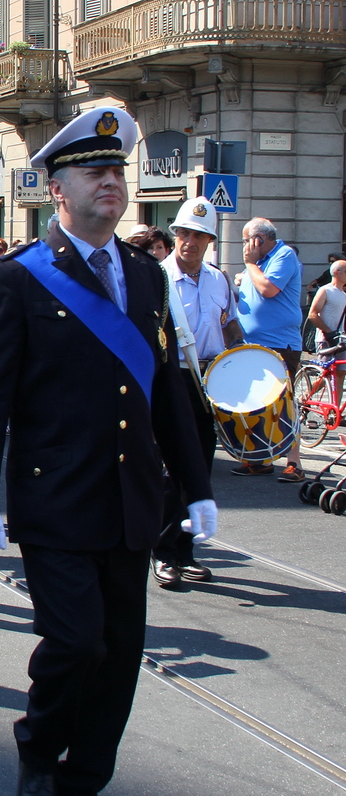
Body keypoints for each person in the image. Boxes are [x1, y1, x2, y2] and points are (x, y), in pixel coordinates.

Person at [0, 106, 215, 796]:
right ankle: (38, 759)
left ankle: (84, 785)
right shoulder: (19, 277)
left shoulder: (142, 275)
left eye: (116, 171)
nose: (110, 182)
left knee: (121, 653)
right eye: (93, 171)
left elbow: (166, 388)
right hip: (55, 500)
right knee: (76, 644)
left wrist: (195, 484)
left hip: (132, 500)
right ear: (56, 189)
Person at [155, 198, 243, 588]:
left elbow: (231, 328)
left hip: (211, 381)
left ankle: (185, 549)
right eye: (185, 234)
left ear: (210, 240)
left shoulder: (219, 279)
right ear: (176, 235)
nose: (190, 242)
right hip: (171, 379)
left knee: (200, 470)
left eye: (199, 236)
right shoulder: (156, 279)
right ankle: (164, 552)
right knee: (172, 469)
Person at [233, 216, 304, 481]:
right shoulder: (258, 263)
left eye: (246, 240)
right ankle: (260, 458)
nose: (244, 247)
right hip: (254, 342)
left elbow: (268, 290)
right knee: (258, 403)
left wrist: (250, 265)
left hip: (279, 343)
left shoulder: (283, 255)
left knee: (283, 401)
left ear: (259, 239)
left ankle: (294, 462)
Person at [308, 259, 346, 405]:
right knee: (325, 375)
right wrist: (329, 332)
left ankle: (335, 411)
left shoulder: (343, 294)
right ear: (337, 273)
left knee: (340, 373)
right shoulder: (325, 290)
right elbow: (313, 314)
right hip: (326, 339)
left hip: (340, 339)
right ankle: (305, 397)